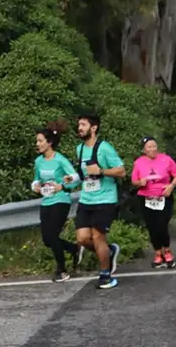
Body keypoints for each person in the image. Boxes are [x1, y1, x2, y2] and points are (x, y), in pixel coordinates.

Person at [73, 114, 126, 289]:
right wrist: (70, 180)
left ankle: (105, 275)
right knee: (82, 238)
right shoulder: (79, 149)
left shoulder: (105, 148)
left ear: (93, 128)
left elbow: (121, 171)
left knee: (97, 237)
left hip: (105, 199)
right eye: (79, 124)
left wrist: (102, 171)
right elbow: (83, 175)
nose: (79, 127)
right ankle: (109, 251)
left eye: (83, 124)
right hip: (86, 199)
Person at [30, 121, 81, 282]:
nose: (37, 144)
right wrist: (36, 186)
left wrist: (63, 185)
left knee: (52, 235)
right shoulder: (39, 161)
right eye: (37, 141)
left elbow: (76, 177)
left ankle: (62, 270)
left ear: (49, 142)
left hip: (61, 201)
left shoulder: (60, 160)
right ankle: (74, 249)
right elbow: (35, 180)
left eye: (40, 141)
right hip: (46, 201)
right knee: (47, 240)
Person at [131, 137, 176, 268]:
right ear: (144, 150)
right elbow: (134, 181)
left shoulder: (166, 159)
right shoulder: (139, 162)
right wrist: (139, 183)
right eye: (149, 147)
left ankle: (167, 251)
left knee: (162, 225)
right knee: (152, 227)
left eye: (154, 146)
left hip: (164, 197)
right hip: (146, 198)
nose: (152, 149)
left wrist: (171, 186)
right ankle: (158, 253)